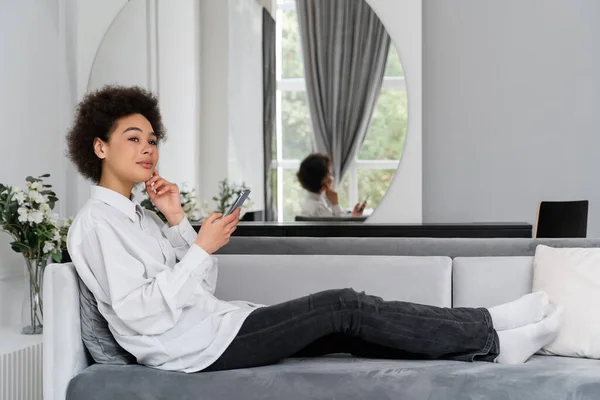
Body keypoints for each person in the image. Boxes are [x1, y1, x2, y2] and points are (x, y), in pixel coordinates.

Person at [66, 84, 564, 374]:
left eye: (152, 139)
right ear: (100, 148)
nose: (148, 148)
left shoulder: (143, 218)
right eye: (133, 139)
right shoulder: (95, 226)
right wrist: (198, 248)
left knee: (346, 325)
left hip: (214, 327)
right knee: (342, 304)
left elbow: (203, 288)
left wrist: (178, 222)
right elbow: (142, 314)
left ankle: (492, 340)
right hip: (193, 350)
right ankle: (490, 329)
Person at [296, 153, 365, 218]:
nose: (332, 178)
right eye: (329, 174)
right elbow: (339, 228)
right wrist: (335, 204)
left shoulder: (316, 201)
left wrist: (354, 216)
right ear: (323, 180)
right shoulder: (317, 208)